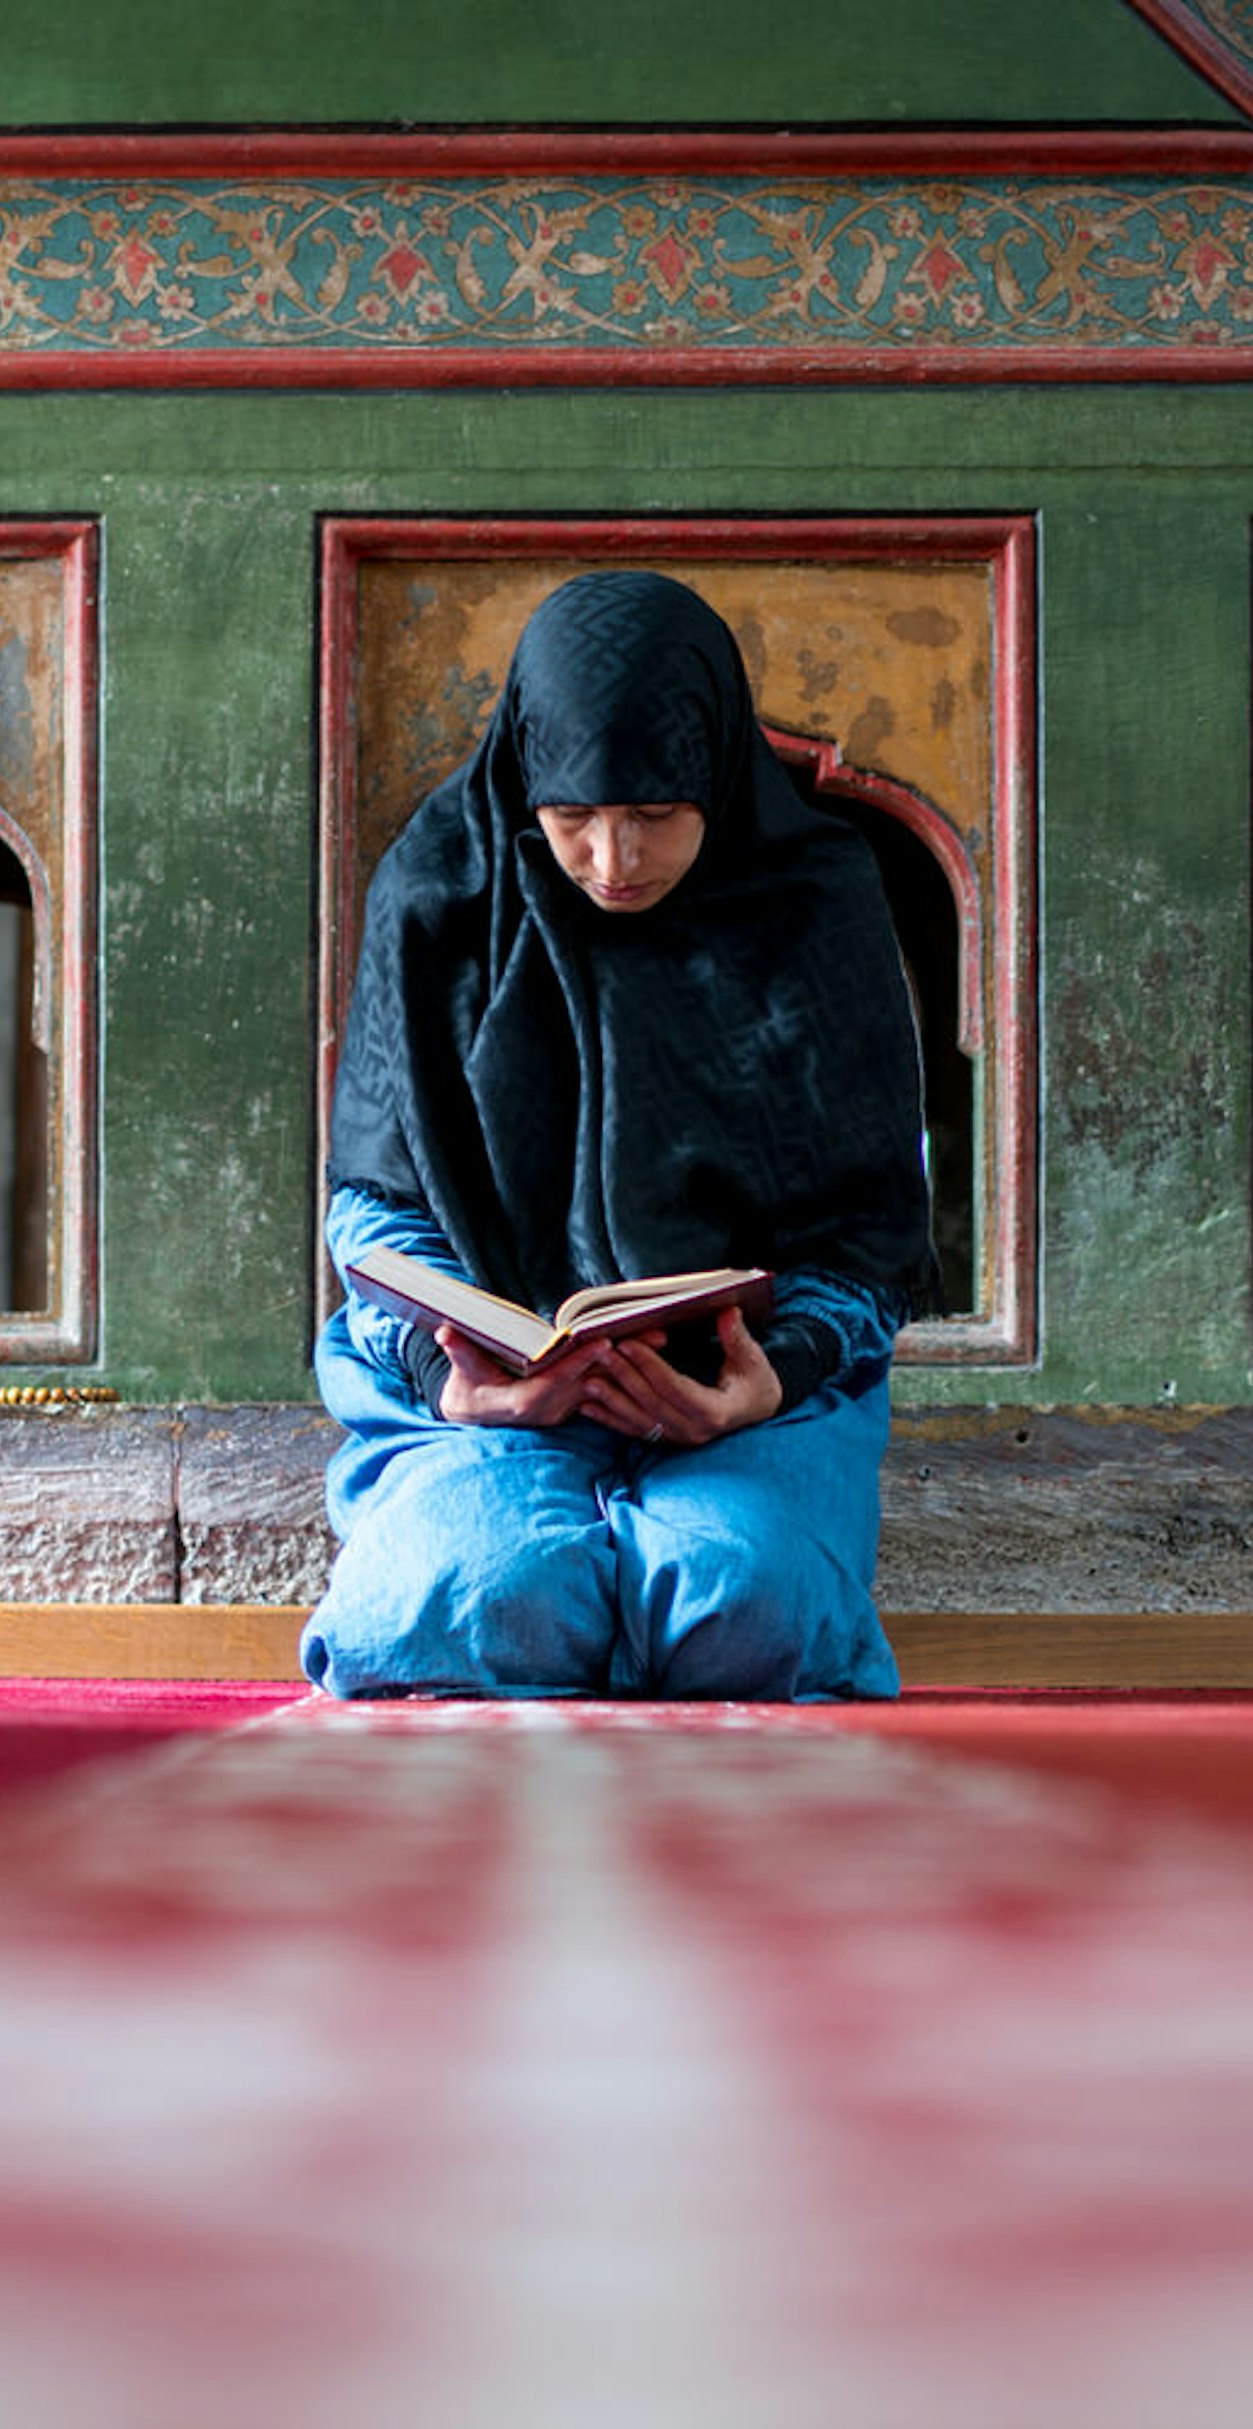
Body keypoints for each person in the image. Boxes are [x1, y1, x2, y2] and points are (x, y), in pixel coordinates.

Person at [304, 570, 936, 1700]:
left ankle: (649, 1562)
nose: (612, 860)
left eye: (654, 814)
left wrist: (768, 1380)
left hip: (745, 1400)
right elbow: (374, 1208)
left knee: (743, 1606)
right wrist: (456, 1378)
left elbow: (870, 1235)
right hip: (489, 1402)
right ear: (527, 782)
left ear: (717, 777)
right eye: (574, 815)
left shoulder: (816, 903)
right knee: (478, 1596)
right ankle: (560, 1548)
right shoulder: (442, 889)